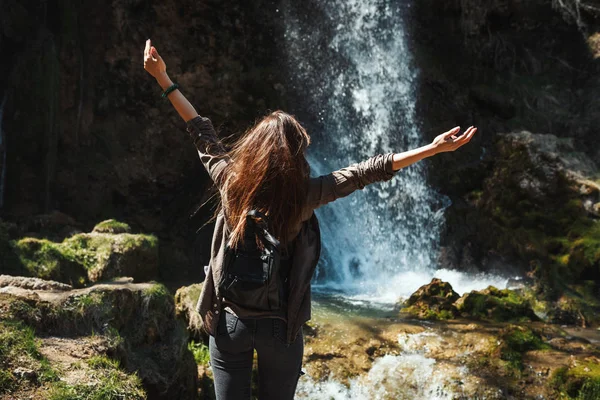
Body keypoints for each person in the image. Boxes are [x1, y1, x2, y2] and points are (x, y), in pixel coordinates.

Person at [143, 39, 477, 400]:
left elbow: (199, 129)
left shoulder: (229, 182)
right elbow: (367, 171)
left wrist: (164, 78)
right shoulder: (304, 197)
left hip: (229, 323)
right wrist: (434, 148)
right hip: (280, 331)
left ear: (253, 149)